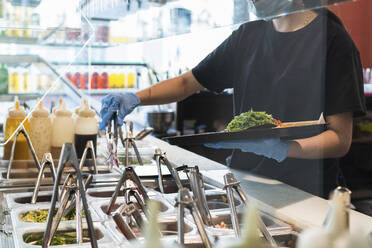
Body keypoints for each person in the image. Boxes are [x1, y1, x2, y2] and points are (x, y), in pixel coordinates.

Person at [99, 2, 366, 197]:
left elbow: (340, 139)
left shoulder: (333, 42)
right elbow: (186, 83)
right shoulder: (247, 37)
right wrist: (135, 97)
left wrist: (284, 149)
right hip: (243, 184)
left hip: (304, 192)